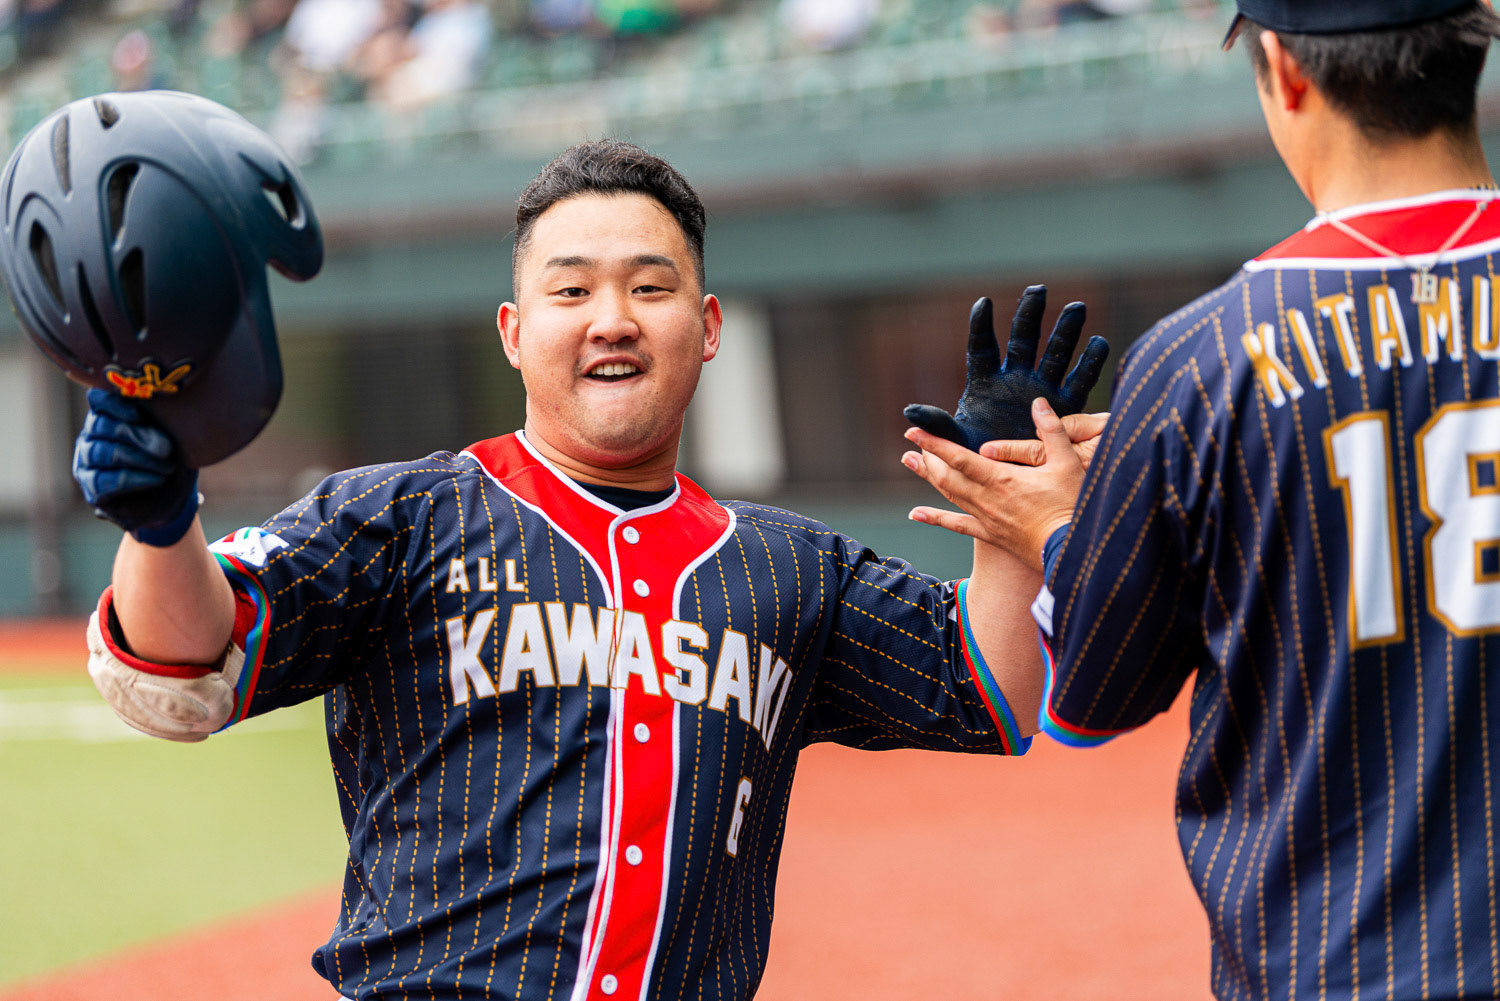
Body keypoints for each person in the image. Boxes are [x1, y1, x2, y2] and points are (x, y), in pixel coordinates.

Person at [75, 140, 1100, 999]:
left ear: (706, 329)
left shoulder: (793, 568)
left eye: (650, 287)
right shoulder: (398, 518)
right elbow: (178, 665)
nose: (612, 316)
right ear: (516, 334)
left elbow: (992, 688)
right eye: (571, 289)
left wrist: (1006, 507)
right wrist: (161, 522)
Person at [901, 2, 1500, 999]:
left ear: (1285, 69)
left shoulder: (1198, 363)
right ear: (1471, 46)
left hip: (1333, 964)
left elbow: (1096, 700)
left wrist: (1060, 528)